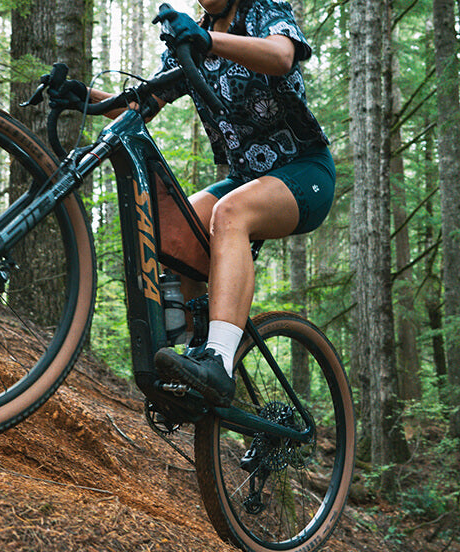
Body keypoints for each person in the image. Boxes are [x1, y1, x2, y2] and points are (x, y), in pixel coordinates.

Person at [54, 0, 334, 407]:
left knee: (231, 213)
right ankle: (192, 358)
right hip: (245, 178)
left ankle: (218, 360)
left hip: (304, 170)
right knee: (171, 230)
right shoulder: (190, 36)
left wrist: (207, 40)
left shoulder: (260, 10)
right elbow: (139, 103)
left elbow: (281, 55)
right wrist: (82, 97)